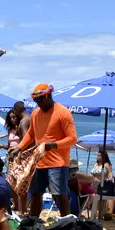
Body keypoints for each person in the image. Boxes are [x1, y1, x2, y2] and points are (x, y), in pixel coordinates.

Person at [12, 84, 78, 218]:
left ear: (48, 96)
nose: (38, 104)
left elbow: (72, 138)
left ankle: (68, 222)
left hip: (58, 163)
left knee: (60, 195)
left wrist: (54, 145)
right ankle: (33, 221)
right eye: (36, 101)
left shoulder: (63, 113)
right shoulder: (35, 114)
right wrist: (19, 148)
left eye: (40, 100)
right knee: (35, 194)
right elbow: (31, 134)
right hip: (39, 161)